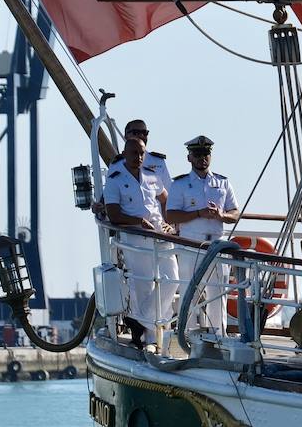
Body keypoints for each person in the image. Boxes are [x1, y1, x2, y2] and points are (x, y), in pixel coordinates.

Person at [103, 136, 176, 348]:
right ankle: (152, 339)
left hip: (159, 234)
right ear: (125, 154)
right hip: (135, 237)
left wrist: (169, 223)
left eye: (142, 153)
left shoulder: (152, 176)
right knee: (144, 284)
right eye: (134, 153)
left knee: (172, 278)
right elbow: (113, 213)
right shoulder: (115, 179)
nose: (139, 157)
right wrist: (137, 221)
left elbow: (165, 200)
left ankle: (140, 320)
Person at [165, 136, 241, 338]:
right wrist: (198, 213)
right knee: (189, 293)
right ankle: (187, 335)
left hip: (216, 245)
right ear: (189, 157)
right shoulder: (179, 184)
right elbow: (170, 215)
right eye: (197, 154)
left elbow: (235, 213)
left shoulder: (222, 183)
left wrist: (221, 216)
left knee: (218, 294)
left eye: (206, 154)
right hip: (192, 245)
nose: (202, 158)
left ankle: (220, 336)